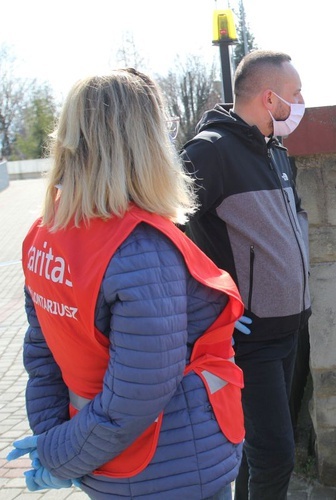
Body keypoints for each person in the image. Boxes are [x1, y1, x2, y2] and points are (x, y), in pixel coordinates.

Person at [7, 68, 245, 499]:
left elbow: (43, 356)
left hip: (107, 465)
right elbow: (136, 399)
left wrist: (54, 443)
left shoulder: (45, 233)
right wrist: (59, 454)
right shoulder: (141, 248)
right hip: (172, 467)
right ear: (146, 142)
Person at [180, 50, 310, 500]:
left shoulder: (276, 151)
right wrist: (210, 306)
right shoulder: (208, 153)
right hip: (248, 338)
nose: (301, 102)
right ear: (270, 98)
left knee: (258, 452)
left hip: (290, 329)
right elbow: (164, 235)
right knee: (276, 455)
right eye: (295, 95)